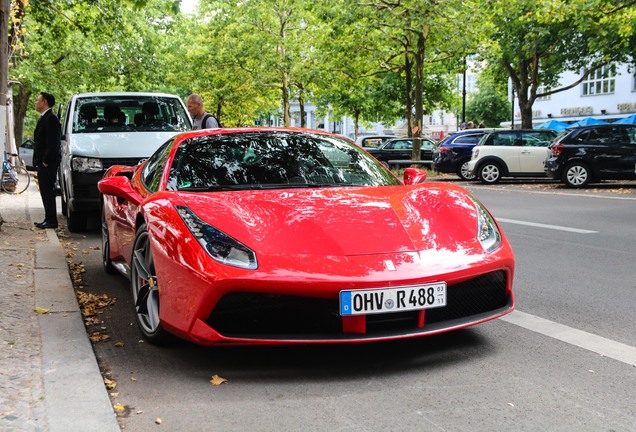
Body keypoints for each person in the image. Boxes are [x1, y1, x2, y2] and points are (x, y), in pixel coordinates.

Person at [33, 92, 62, 229]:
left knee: (48, 191)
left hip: (48, 163)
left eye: (37, 100)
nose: (35, 102)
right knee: (45, 191)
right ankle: (48, 218)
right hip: (43, 162)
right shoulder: (44, 118)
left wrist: (45, 160)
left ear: (44, 102)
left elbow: (53, 143)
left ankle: (51, 221)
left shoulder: (51, 118)